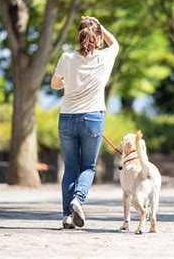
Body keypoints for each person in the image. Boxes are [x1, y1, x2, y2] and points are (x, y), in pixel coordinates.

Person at [50, 16, 119, 229]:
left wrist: (68, 82)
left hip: (67, 117)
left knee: (70, 166)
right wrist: (100, 26)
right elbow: (115, 43)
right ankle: (78, 200)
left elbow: (54, 84)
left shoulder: (67, 58)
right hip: (92, 118)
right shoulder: (105, 58)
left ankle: (66, 216)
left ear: (79, 36)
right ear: (98, 38)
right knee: (88, 166)